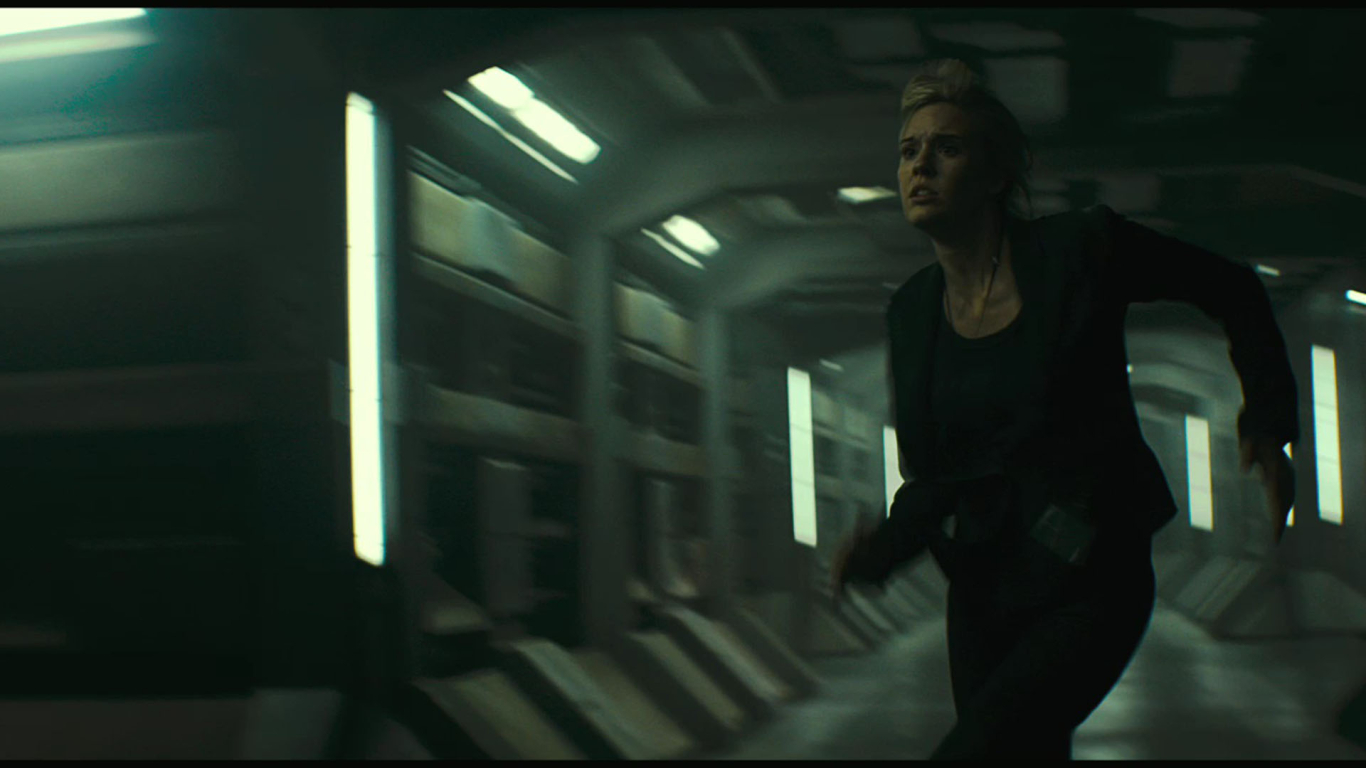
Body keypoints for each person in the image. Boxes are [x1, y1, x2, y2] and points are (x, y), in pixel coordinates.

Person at [830, 59, 1299, 760]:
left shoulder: (1080, 250)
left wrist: (1266, 419)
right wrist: (879, 554)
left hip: (1093, 577)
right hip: (983, 591)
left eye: (947, 148)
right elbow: (934, 476)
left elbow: (1231, 286)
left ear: (996, 174)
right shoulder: (912, 311)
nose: (919, 166)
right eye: (908, 150)